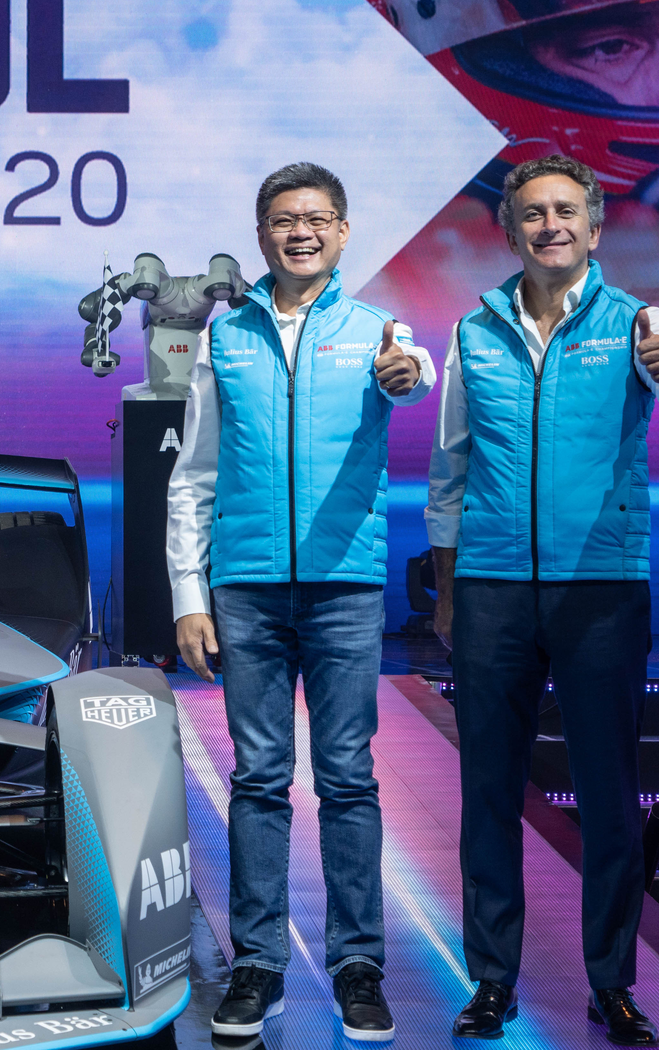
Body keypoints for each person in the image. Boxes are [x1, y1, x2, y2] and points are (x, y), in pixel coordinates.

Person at [429, 154, 659, 1046]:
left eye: (565, 211)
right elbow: (450, 469)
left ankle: (613, 984)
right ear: (510, 231)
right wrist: (446, 592)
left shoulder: (638, 320)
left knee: (608, 793)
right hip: (490, 589)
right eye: (532, 212)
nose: (549, 224)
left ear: (594, 228)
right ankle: (491, 981)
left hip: (601, 588)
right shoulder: (474, 330)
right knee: (488, 790)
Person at [166, 162, 434, 1043]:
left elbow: (414, 374)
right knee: (258, 778)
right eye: (285, 219)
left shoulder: (376, 331)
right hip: (245, 589)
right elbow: (193, 474)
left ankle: (358, 965)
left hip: (344, 588)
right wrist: (189, 595)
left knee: (348, 777)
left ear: (343, 232)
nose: (301, 232)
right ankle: (257, 962)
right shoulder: (225, 337)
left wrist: (405, 370)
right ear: (262, 235)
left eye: (318, 218)